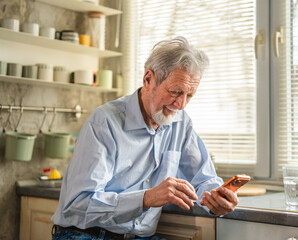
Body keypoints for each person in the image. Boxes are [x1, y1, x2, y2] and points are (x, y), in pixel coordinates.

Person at [52, 36, 239, 240]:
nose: (181, 104)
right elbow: (78, 204)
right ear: (148, 79)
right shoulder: (105, 122)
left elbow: (204, 179)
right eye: (175, 92)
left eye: (190, 95)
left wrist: (217, 200)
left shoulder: (181, 123)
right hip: (85, 235)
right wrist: (147, 198)